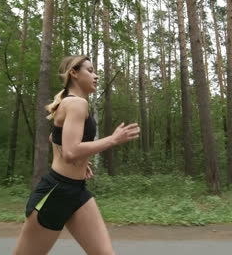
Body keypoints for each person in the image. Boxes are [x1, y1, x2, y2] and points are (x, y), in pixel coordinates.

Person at [13, 55, 140, 255]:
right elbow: (71, 152)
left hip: (77, 191)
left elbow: (53, 138)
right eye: (90, 71)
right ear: (74, 73)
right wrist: (112, 139)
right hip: (56, 193)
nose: (96, 76)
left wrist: (82, 161)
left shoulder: (69, 103)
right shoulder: (76, 104)